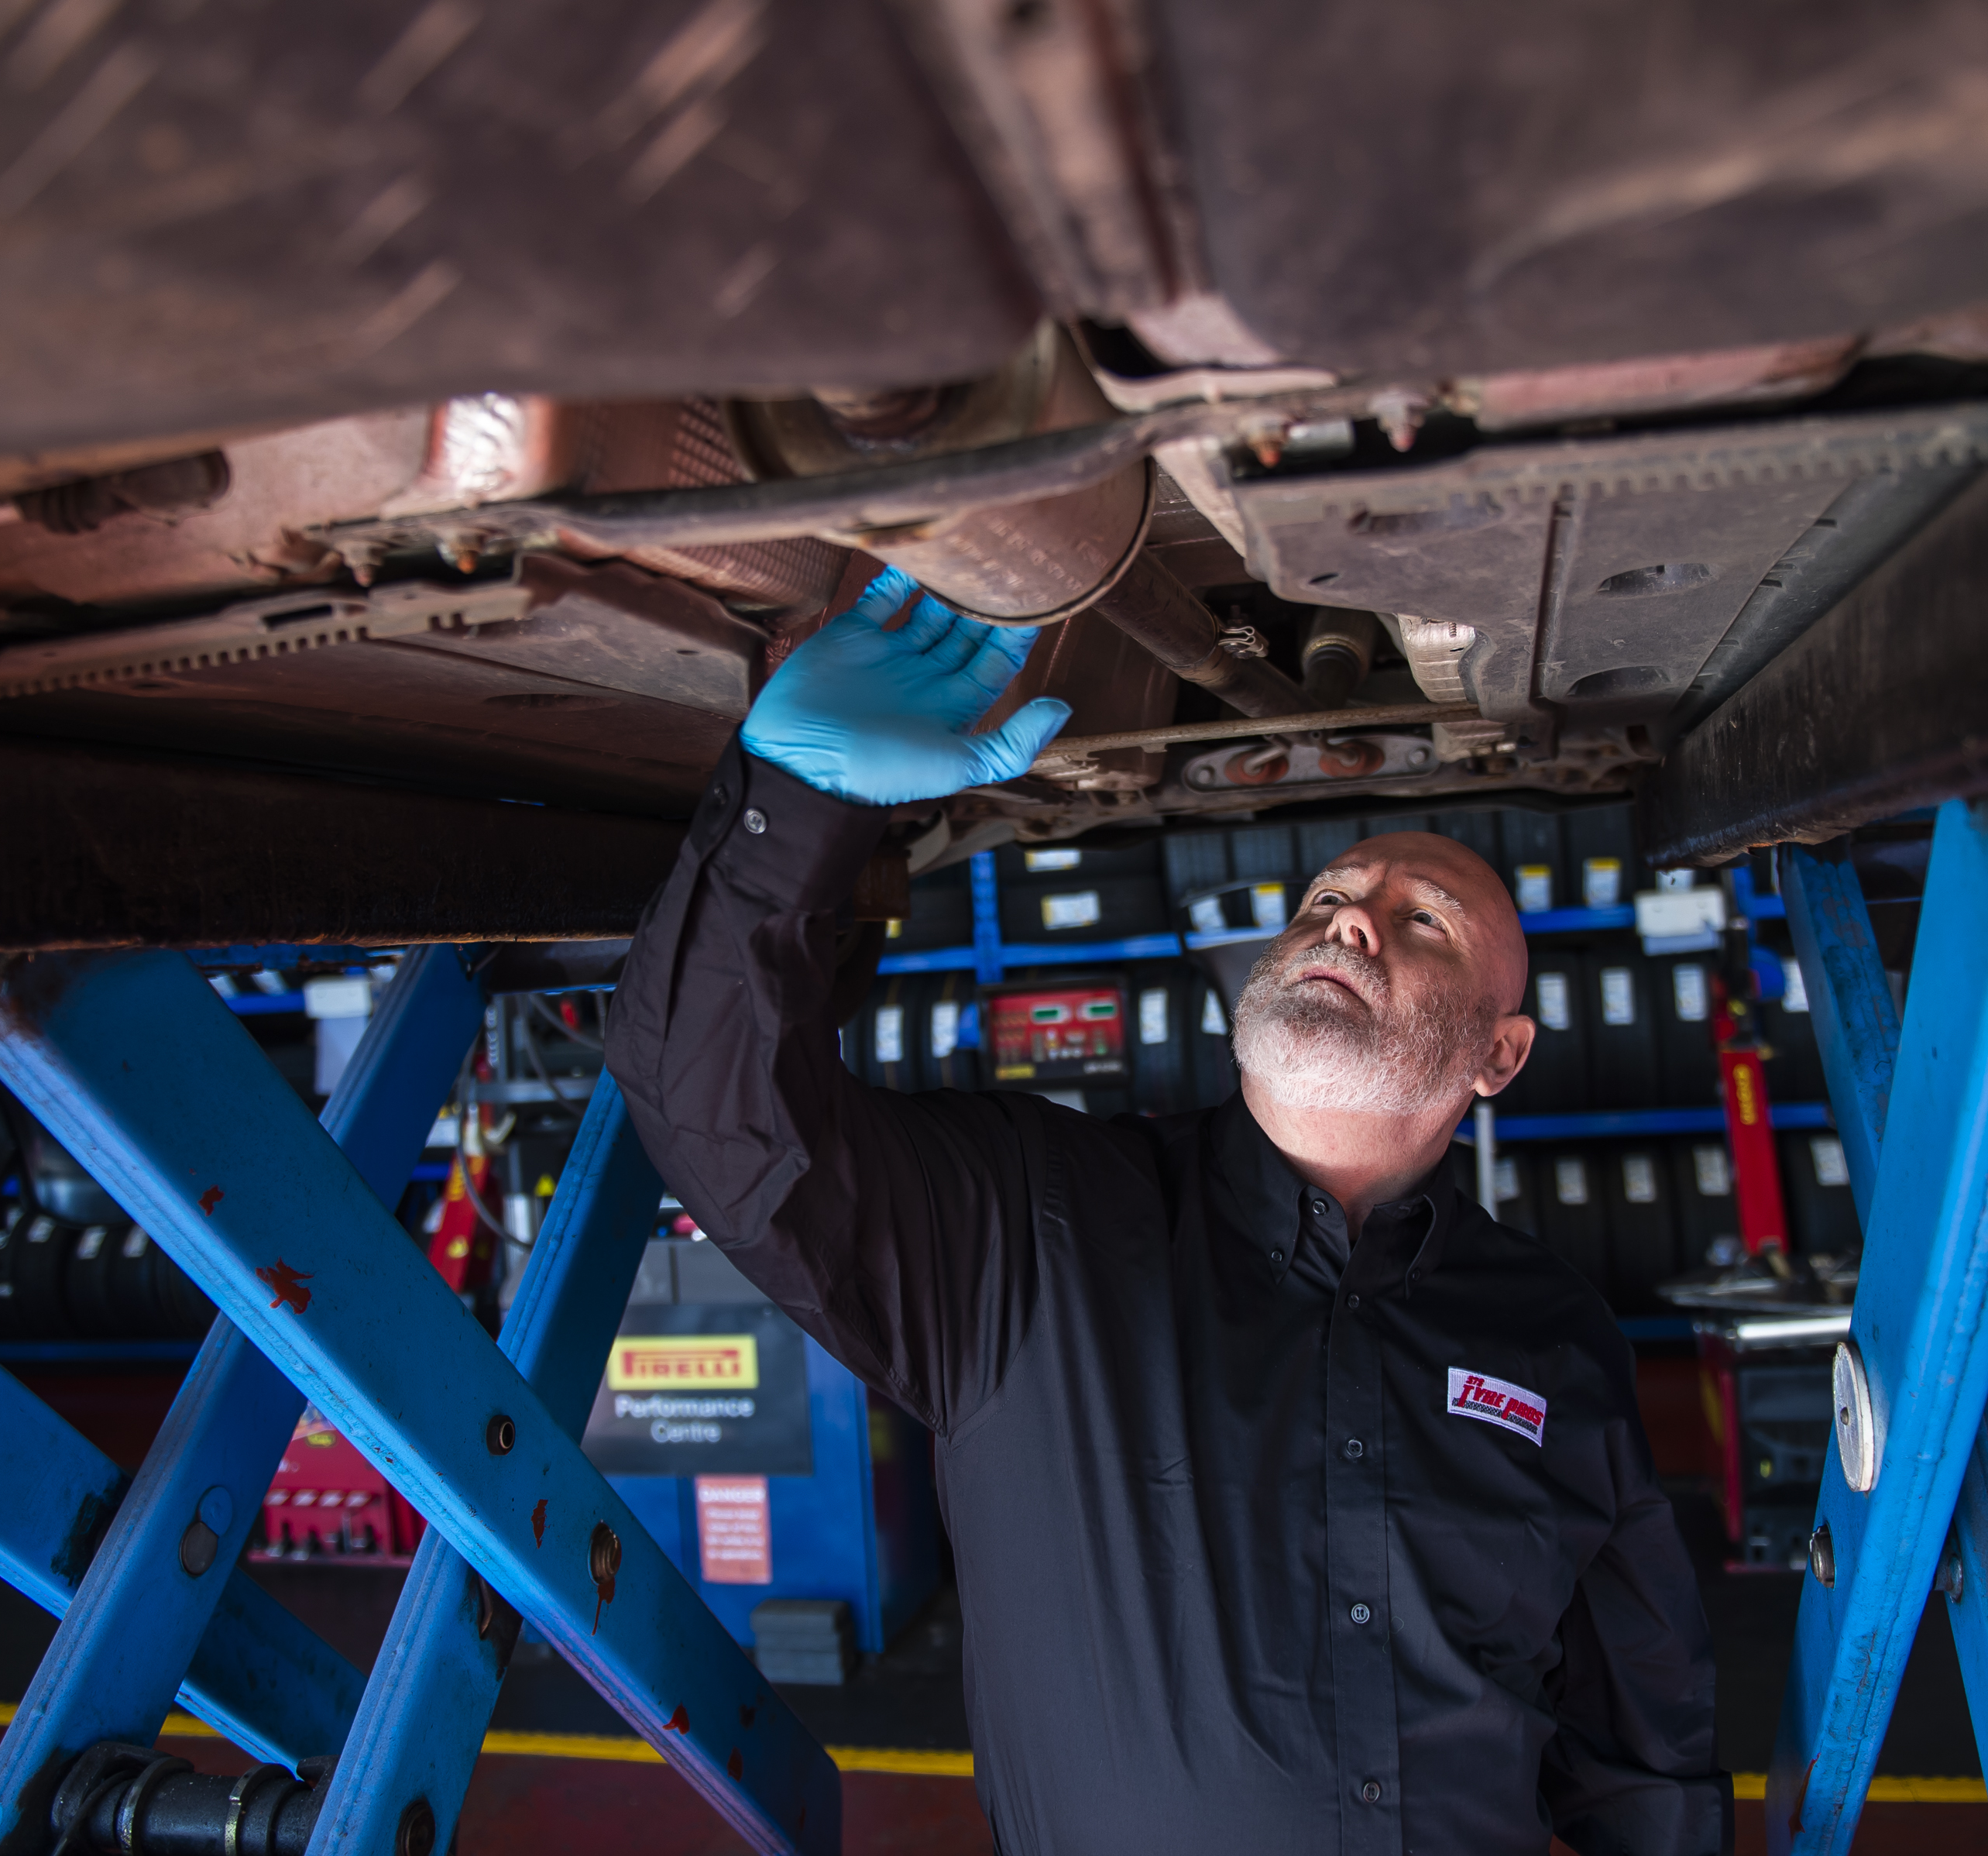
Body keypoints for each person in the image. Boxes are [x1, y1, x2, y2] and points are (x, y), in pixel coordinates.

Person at [609, 566, 1726, 1854]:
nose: (1349, 924)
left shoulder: (1552, 1334)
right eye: (1326, 901)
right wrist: (796, 807)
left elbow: (1644, 1748)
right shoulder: (1031, 1229)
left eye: (1421, 922)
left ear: (1500, 1055)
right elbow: (716, 1113)